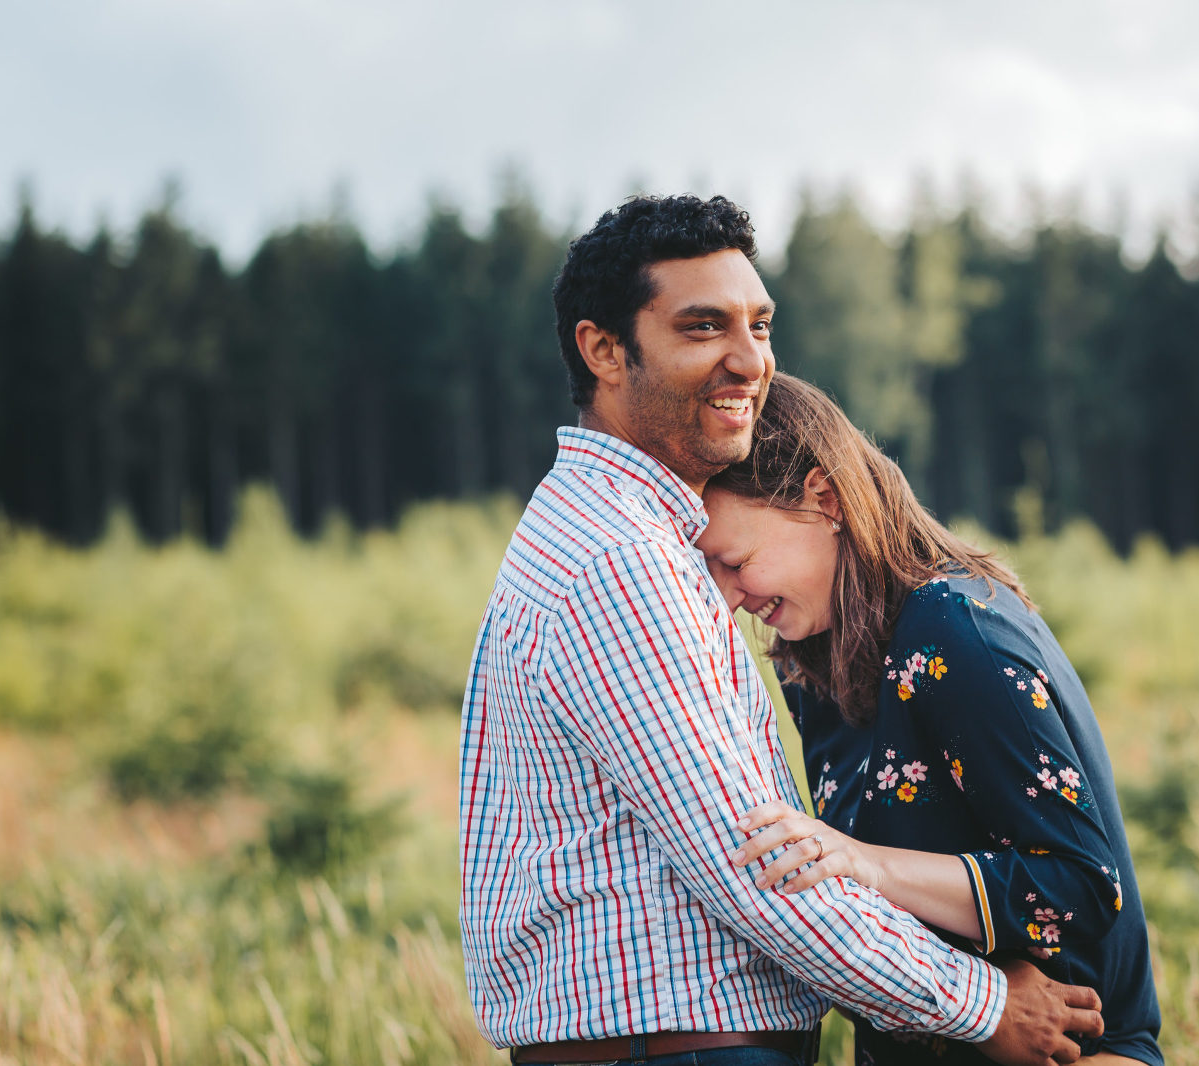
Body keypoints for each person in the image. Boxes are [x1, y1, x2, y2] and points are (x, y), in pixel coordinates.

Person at [460, 194, 1104, 1066]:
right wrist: (984, 1005)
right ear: (604, 351)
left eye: (759, 326)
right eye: (702, 328)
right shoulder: (622, 562)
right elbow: (759, 871)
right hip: (683, 1051)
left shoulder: (614, 536)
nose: (747, 360)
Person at [698, 373, 1163, 1066]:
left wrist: (864, 864)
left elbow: (1081, 887)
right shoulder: (812, 663)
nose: (728, 598)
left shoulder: (953, 628)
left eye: (735, 562)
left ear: (823, 499)